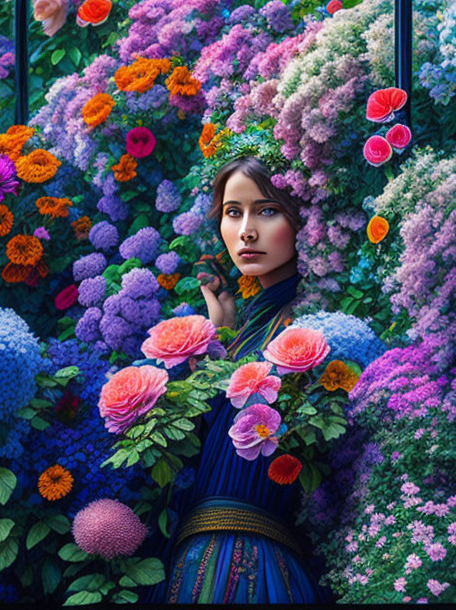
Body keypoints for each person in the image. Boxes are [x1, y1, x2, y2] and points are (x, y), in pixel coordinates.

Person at [145, 156, 333, 604]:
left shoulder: (309, 326)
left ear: (301, 219)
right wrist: (221, 332)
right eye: (234, 212)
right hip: (196, 551)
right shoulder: (250, 325)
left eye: (267, 210)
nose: (247, 230)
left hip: (252, 559)